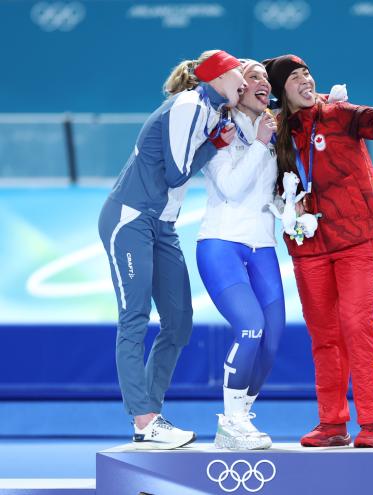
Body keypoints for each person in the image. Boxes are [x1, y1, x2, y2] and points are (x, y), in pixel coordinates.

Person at [263, 54, 373, 448]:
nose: (306, 80)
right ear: (280, 89)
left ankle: (372, 424)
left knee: (357, 327)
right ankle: (332, 424)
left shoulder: (338, 114)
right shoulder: (274, 130)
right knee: (324, 336)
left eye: (308, 73)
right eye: (295, 77)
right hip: (309, 246)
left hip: (354, 240)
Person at [97, 50, 246, 450]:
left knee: (179, 322)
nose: (244, 83)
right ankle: (144, 418)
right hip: (129, 218)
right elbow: (176, 172)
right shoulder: (187, 104)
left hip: (162, 225)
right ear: (216, 76)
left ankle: (151, 417)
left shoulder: (214, 110)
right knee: (134, 317)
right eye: (238, 75)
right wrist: (214, 145)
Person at [195, 59, 283, 450]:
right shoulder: (218, 127)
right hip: (221, 242)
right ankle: (229, 423)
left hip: (263, 244)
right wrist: (261, 142)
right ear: (237, 88)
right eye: (253, 76)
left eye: (266, 77)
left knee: (272, 340)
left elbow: (271, 191)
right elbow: (230, 187)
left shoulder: (274, 129)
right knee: (250, 327)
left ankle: (242, 416)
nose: (263, 82)